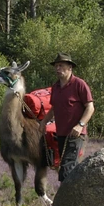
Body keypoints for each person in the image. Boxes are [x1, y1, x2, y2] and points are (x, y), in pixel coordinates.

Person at [41, 53, 95, 182]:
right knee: (67, 168)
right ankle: (75, 197)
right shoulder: (55, 87)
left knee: (67, 168)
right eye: (56, 66)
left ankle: (64, 201)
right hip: (60, 134)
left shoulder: (79, 84)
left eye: (61, 66)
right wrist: (43, 122)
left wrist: (80, 125)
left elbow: (90, 107)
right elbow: (54, 108)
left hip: (76, 134)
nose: (57, 69)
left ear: (70, 67)